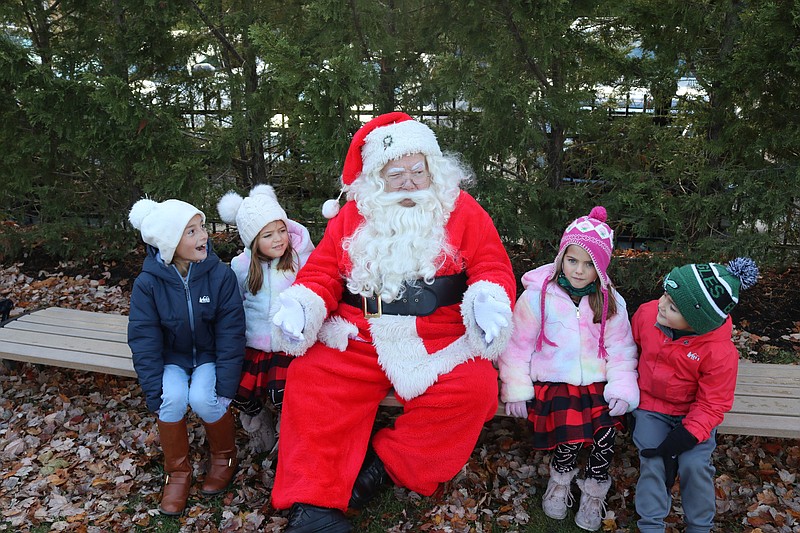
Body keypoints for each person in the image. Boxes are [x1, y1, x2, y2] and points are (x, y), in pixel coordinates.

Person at [270, 112, 517, 532]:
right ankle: (312, 506)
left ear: (433, 170)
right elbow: (324, 271)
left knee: (474, 392)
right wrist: (304, 304)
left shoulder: (464, 210)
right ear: (375, 178)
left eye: (417, 171)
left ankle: (380, 470)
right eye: (395, 173)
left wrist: (489, 301)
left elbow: (492, 264)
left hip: (439, 336)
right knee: (312, 380)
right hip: (358, 331)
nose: (407, 182)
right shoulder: (353, 214)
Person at [497, 206, 639, 531]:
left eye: (589, 264)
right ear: (561, 257)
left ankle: (593, 491)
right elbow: (516, 346)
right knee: (571, 436)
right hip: (555, 380)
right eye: (572, 260)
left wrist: (621, 387)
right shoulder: (536, 298)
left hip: (597, 382)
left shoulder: (610, 302)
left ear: (601, 268)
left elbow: (621, 350)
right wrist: (516, 388)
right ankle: (559, 484)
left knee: (604, 435)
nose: (578, 270)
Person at [127, 198, 245, 516]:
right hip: (172, 358)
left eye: (202, 227)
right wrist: (154, 388)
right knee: (172, 398)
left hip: (207, 355)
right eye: (191, 231)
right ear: (169, 243)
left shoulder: (220, 277)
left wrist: (227, 385)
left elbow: (231, 334)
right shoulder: (148, 284)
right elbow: (144, 339)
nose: (203, 236)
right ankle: (178, 473)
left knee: (206, 399)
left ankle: (224, 457)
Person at [632, 257, 758, 533]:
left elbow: (713, 403)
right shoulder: (646, 315)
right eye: (665, 294)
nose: (662, 305)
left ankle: (699, 526)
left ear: (697, 322)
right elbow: (632, 350)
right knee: (653, 460)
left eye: (673, 306)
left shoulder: (719, 352)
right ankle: (650, 525)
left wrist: (686, 436)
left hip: (694, 416)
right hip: (651, 407)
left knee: (695, 465)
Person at [216, 184, 315, 453]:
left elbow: (314, 297)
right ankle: (258, 422)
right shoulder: (239, 267)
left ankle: (289, 429)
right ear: (253, 241)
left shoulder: (300, 261)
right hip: (254, 342)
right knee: (236, 389)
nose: (279, 239)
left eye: (282, 230)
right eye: (268, 235)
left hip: (288, 343)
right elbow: (233, 305)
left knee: (283, 391)